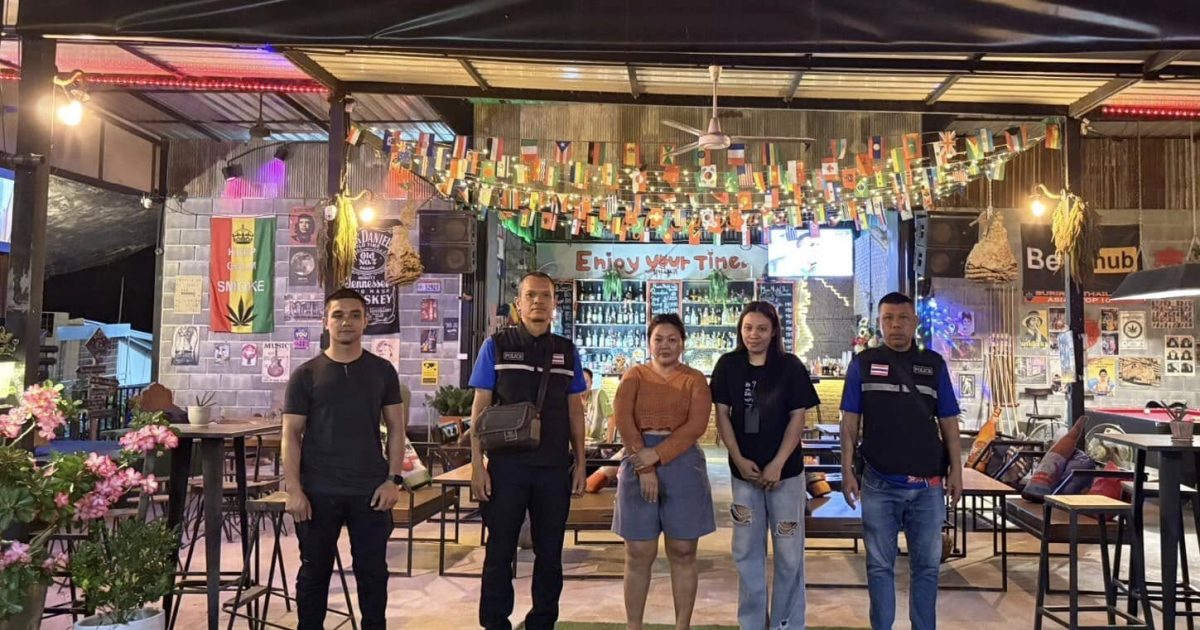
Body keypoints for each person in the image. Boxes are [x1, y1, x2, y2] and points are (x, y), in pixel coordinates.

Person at [468, 271, 588, 630]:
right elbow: (480, 408)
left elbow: (575, 411)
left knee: (550, 552)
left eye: (545, 296)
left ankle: (542, 621)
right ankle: (494, 622)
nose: (538, 301)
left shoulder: (566, 351)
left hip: (553, 468)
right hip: (506, 468)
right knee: (499, 551)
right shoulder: (496, 346)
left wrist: (581, 463)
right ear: (518, 304)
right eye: (531, 295)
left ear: (554, 305)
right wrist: (477, 465)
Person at [282, 288, 405, 630]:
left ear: (366, 321)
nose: (346, 322)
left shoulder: (382, 371)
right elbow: (290, 434)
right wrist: (294, 490)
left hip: (370, 491)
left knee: (373, 574)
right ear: (326, 321)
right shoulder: (306, 375)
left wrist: (393, 480)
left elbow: (397, 429)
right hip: (317, 492)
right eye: (337, 315)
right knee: (314, 573)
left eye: (354, 315)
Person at [840, 292, 962, 630]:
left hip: (928, 487)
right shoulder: (863, 364)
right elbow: (849, 423)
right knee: (880, 567)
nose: (896, 325)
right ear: (879, 323)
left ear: (915, 322)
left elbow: (949, 422)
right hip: (878, 483)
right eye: (888, 319)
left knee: (927, 568)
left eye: (903, 318)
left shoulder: (933, 365)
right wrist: (846, 470)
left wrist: (957, 470)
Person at [711, 301, 820, 630]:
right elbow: (722, 416)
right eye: (748, 328)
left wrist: (777, 464)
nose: (753, 335)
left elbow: (798, 418)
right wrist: (738, 459)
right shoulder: (728, 365)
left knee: (789, 553)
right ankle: (752, 623)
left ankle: (787, 624)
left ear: (774, 332)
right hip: (743, 476)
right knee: (746, 551)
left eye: (761, 329)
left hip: (786, 476)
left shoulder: (790, 366)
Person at [612, 313, 715, 630]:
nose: (665, 345)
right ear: (649, 342)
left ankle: (682, 625)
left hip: (683, 462)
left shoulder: (694, 380)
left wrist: (656, 455)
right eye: (658, 339)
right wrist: (644, 465)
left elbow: (696, 426)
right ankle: (634, 625)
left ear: (683, 343)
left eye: (672, 339)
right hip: (637, 456)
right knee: (638, 551)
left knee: (683, 550)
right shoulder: (634, 376)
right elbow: (624, 419)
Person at [583, 367, 616, 443]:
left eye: (586, 382)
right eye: (579, 382)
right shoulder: (571, 399)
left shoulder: (599, 394)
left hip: (596, 443)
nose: (583, 385)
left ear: (591, 383)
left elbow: (611, 418)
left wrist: (608, 444)